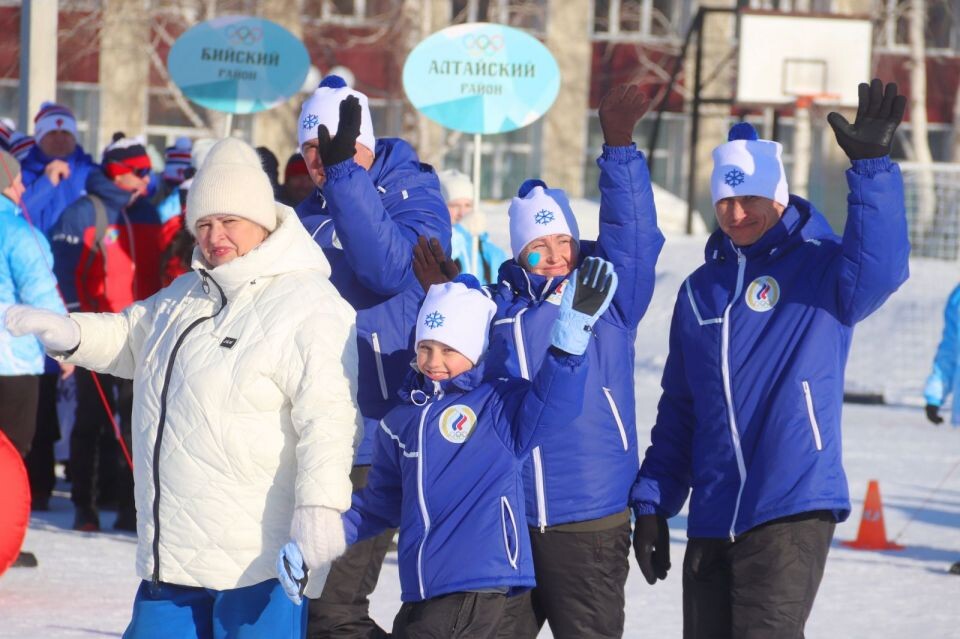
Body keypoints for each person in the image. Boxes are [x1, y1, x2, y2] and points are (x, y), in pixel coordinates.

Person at [6, 137, 361, 637]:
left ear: (262, 219)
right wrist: (72, 333)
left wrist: (321, 509)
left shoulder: (310, 305)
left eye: (229, 221)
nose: (215, 237)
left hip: (258, 559)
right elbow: (132, 337)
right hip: (172, 553)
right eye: (205, 224)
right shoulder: (187, 293)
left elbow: (329, 419)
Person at [631, 79, 909, 638]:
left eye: (750, 199)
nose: (736, 213)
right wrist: (653, 501)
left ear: (778, 197)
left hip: (790, 500)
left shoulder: (822, 267)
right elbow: (682, 408)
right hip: (713, 512)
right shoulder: (698, 291)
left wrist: (873, 170)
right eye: (725, 201)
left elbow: (881, 268)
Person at [280, 258, 615, 637]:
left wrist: (567, 348)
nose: (434, 362)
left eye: (448, 350)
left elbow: (553, 405)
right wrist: (313, 544)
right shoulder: (400, 422)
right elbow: (378, 505)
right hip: (423, 588)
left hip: (476, 580)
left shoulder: (497, 404)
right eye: (426, 348)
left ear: (473, 350)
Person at [295, 74, 451, 638]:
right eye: (311, 147)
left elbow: (387, 271)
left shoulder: (415, 192)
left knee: (333, 608)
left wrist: (343, 178)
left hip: (381, 426)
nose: (320, 158)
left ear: (365, 144)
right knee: (307, 605)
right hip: (318, 425)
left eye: (334, 147)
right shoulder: (307, 211)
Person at [48, 133, 174, 532]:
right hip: (99, 333)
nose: (147, 179)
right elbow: (63, 277)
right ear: (121, 175)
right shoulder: (85, 213)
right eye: (140, 172)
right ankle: (85, 506)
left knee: (141, 421)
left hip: (145, 334)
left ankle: (130, 508)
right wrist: (73, 327)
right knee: (92, 421)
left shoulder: (148, 214)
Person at [19, 102, 97, 234]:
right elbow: (15, 219)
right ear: (39, 138)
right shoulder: (21, 175)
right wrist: (45, 183)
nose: (60, 139)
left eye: (66, 133)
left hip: (82, 252)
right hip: (38, 252)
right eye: (52, 133)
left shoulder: (91, 173)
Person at [437, 168, 508, 285]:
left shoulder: (487, 248)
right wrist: (462, 231)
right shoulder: (435, 241)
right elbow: (440, 262)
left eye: (468, 205)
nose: (463, 212)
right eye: (454, 205)